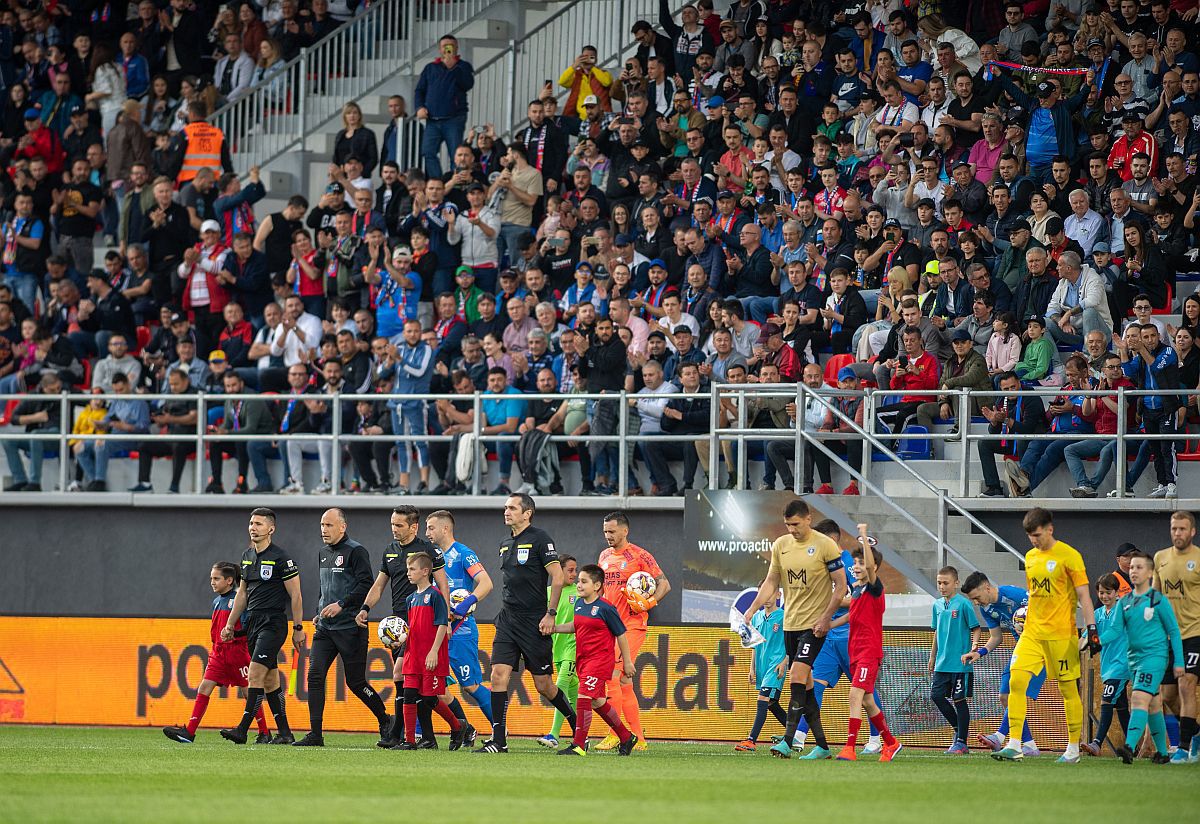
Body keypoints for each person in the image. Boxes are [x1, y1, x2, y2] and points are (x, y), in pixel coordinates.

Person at [992, 508, 1100, 763]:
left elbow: (1084, 595)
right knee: (1016, 682)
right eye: (1030, 536)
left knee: (1067, 689)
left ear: (1050, 529)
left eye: (1037, 535)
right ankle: (1015, 743)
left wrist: (1092, 628)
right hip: (1032, 633)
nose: (1034, 540)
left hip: (1061, 635)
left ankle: (1073, 748)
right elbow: (1034, 595)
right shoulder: (1030, 557)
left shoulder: (1069, 556)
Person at [743, 499, 847, 760]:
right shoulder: (781, 545)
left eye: (796, 524)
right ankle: (822, 746)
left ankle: (788, 741)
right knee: (807, 686)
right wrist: (753, 608)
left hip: (814, 626)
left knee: (797, 677)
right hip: (791, 623)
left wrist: (825, 619)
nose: (792, 529)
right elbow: (771, 581)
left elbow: (841, 586)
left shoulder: (826, 546)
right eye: (788, 525)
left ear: (808, 519)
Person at [474, 493, 578, 754]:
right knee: (498, 675)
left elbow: (556, 577)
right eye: (505, 507)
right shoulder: (505, 542)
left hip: (535, 621)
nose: (506, 511)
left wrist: (550, 613)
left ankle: (578, 727)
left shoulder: (541, 539)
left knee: (543, 685)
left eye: (512, 507)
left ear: (527, 513)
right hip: (508, 618)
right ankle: (499, 739)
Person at [354, 506, 456, 748]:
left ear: (414, 527)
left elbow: (442, 584)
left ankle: (404, 732)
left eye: (399, 525)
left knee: (417, 684)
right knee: (409, 683)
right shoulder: (389, 552)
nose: (394, 529)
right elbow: (379, 586)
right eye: (392, 524)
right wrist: (365, 608)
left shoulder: (427, 550)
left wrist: (447, 619)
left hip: (424, 623)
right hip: (399, 626)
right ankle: (422, 734)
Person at [293, 509, 392, 747]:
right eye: (322, 525)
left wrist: (341, 604)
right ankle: (315, 734)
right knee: (314, 677)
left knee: (356, 683)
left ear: (342, 527)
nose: (323, 529)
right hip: (326, 629)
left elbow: (365, 585)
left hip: (351, 627)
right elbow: (324, 587)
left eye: (328, 525)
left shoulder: (356, 551)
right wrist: (320, 610)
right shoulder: (323, 553)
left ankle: (386, 719)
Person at [218, 508, 302, 745]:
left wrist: (298, 628)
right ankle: (285, 733)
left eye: (258, 524)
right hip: (252, 623)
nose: (253, 528)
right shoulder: (246, 556)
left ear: (271, 529)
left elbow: (295, 595)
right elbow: (242, 594)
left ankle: (242, 730)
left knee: (254, 674)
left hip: (273, 624)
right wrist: (230, 624)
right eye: (251, 523)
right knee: (270, 681)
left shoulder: (281, 558)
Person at [162, 562, 271, 745]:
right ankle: (190, 731)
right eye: (211, 578)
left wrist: (235, 635)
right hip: (218, 654)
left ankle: (264, 732)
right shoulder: (217, 601)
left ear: (229, 580)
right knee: (204, 687)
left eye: (216, 578)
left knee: (248, 692)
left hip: (237, 652)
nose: (212, 582)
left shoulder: (239, 600)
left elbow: (248, 626)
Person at [592, 512, 670, 752]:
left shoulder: (639, 555)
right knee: (624, 681)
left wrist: (649, 603)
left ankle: (615, 733)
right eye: (605, 531)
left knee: (611, 676)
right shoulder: (604, 556)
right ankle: (639, 738)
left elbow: (664, 584)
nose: (608, 536)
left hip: (631, 626)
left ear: (625, 531)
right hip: (609, 627)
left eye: (612, 531)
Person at [1104, 551, 1185, 765]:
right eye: (1131, 567)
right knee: (1153, 705)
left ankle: (1129, 746)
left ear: (1150, 572)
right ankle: (1162, 753)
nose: (1134, 571)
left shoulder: (1158, 601)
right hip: (1134, 660)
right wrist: (1094, 641)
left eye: (1139, 567)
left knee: (1139, 698)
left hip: (1155, 657)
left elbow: (1174, 632)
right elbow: (1114, 631)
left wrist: (1178, 662)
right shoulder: (1125, 602)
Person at [550, 563, 639, 756]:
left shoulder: (606, 608)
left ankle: (579, 745)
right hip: (583, 659)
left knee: (583, 697)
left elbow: (621, 634)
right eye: (579, 581)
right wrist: (555, 628)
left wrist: (628, 662)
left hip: (600, 661)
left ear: (597, 586)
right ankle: (626, 737)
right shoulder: (579, 604)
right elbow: (576, 626)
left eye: (584, 581)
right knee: (597, 701)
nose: (579, 585)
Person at [836, 524, 902, 762]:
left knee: (855, 696)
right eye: (854, 563)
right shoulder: (858, 591)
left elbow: (871, 566)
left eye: (861, 563)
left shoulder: (875, 588)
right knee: (867, 700)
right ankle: (891, 743)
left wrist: (863, 535)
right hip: (855, 651)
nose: (856, 566)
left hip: (868, 651)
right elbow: (851, 615)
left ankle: (850, 747)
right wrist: (827, 625)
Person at [961, 573, 1045, 757]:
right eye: (972, 599)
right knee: (1004, 696)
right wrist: (979, 652)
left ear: (987, 588)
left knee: (1018, 694)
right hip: (1021, 649)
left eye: (977, 597)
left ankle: (999, 736)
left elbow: (1044, 612)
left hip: (1041, 648)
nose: (976, 602)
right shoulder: (986, 609)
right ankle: (1029, 745)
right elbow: (996, 637)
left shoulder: (1015, 595)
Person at [426, 509, 492, 735]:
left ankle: (500, 730)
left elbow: (485, 582)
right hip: (437, 630)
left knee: (471, 685)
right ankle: (465, 729)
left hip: (460, 628)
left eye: (431, 527)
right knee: (435, 689)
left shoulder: (463, 553)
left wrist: (466, 603)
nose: (427, 533)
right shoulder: (432, 557)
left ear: (445, 528)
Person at [390, 551, 460, 750]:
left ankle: (457, 727)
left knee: (429, 698)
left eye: (412, 569)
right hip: (413, 654)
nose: (408, 573)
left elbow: (441, 625)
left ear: (425, 571)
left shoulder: (436, 596)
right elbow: (411, 627)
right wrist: (400, 641)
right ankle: (409, 740)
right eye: (407, 569)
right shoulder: (410, 598)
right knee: (409, 694)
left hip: (431, 655)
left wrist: (433, 651)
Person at [1152, 510, 1200, 762]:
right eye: (1174, 529)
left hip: (1195, 633)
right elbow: (1154, 597)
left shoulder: (1199, 558)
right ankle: (1197, 732)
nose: (1177, 533)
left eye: (1182, 529)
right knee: (1168, 696)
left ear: (1192, 531)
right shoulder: (1160, 558)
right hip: (1168, 638)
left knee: (1186, 684)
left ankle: (1182, 747)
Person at [929, 566, 980, 755]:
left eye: (945, 583)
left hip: (960, 663)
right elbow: (936, 632)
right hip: (942, 663)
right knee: (936, 696)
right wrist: (932, 656)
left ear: (956, 583)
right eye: (939, 583)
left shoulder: (964, 604)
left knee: (959, 700)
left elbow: (975, 628)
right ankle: (959, 729)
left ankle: (961, 742)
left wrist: (974, 646)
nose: (942, 586)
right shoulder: (937, 605)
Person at [1082, 573, 1132, 757]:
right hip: (1107, 666)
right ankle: (1131, 746)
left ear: (1117, 592)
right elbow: (1088, 632)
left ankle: (1096, 743)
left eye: (1108, 592)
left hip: (1122, 665)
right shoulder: (1098, 613)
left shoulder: (1123, 610)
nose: (1104, 596)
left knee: (1106, 699)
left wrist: (1096, 642)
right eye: (1101, 593)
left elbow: (1112, 632)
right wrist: (1084, 640)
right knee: (1121, 707)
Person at [414, 35, 475, 178]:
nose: (447, 49)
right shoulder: (430, 68)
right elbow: (419, 90)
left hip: (454, 119)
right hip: (432, 120)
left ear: (456, 47)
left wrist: (453, 67)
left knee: (456, 155)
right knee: (428, 152)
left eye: (451, 46)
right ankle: (439, 184)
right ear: (440, 49)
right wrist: (419, 107)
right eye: (444, 46)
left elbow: (467, 85)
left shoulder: (463, 66)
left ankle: (458, 186)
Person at [538, 555, 578, 749]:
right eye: (570, 570)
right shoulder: (547, 593)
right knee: (575, 695)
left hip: (573, 649)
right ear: (558, 571)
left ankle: (553, 734)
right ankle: (581, 734)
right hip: (556, 650)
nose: (575, 574)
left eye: (575, 570)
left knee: (559, 688)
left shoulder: (579, 593)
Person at [2, 372, 63, 492]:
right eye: (52, 390)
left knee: (36, 435)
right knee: (8, 440)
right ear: (44, 388)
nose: (57, 392)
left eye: (58, 388)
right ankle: (20, 480)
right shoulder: (33, 396)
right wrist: (34, 418)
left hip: (57, 435)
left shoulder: (66, 393)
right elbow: (13, 418)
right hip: (35, 434)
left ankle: (35, 483)